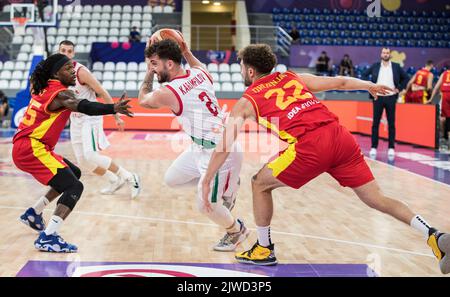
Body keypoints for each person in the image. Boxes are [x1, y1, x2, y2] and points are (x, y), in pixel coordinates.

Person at [201, 44, 450, 274]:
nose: (242, 70)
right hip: (340, 137)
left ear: (251, 71)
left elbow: (224, 144)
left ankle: (264, 248)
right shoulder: (292, 77)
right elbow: (340, 82)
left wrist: (207, 178)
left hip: (311, 145)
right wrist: (368, 85)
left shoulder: (247, 100)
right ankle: (434, 235)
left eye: (242, 66)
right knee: (376, 198)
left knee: (259, 183)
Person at [13, 53, 133, 252]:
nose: (73, 73)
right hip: (31, 148)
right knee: (74, 187)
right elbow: (83, 106)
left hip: (30, 146)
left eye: (73, 68)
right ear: (56, 72)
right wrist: (113, 108)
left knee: (73, 173)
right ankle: (48, 236)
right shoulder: (61, 93)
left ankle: (34, 213)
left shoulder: (45, 87)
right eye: (68, 69)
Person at [138, 38, 248, 251]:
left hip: (219, 151)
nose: (153, 67)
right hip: (201, 146)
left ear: (169, 64)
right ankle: (228, 185)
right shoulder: (201, 73)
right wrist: (186, 50)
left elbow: (142, 99)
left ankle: (236, 231)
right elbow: (195, 63)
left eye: (154, 63)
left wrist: (148, 74)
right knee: (172, 179)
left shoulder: (167, 92)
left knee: (206, 206)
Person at [59, 40, 141, 199]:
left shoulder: (80, 72)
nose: (66, 54)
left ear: (73, 54)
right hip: (75, 120)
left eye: (69, 51)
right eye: (63, 50)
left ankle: (130, 177)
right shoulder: (57, 73)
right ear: (58, 51)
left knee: (91, 155)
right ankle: (113, 180)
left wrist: (116, 115)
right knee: (82, 161)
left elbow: (102, 92)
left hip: (89, 117)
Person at [362, 47, 408, 159]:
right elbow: (364, 75)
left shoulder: (396, 66)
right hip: (378, 97)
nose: (385, 54)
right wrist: (370, 87)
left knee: (391, 123)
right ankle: (374, 147)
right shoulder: (376, 66)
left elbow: (406, 78)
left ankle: (391, 147)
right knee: (375, 123)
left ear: (390, 55)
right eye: (384, 52)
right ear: (381, 54)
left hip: (391, 97)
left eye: (387, 53)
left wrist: (399, 88)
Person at [429, 69, 450, 148]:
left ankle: (444, 137)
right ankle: (445, 137)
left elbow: (436, 87)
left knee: (443, 118)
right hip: (446, 95)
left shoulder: (445, 73)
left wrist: (431, 99)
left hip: (445, 96)